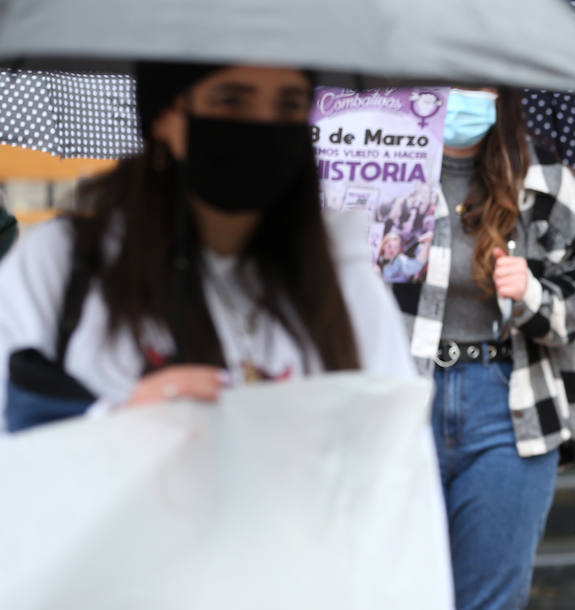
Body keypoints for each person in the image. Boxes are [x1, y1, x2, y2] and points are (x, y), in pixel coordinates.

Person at [0, 63, 416, 431]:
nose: (262, 126)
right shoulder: (64, 264)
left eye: (289, 105)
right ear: (165, 115)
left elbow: (398, 468)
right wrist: (116, 427)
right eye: (231, 101)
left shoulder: (343, 280)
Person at [406, 85, 575, 610]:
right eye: (450, 75)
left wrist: (530, 292)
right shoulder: (385, 171)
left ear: (504, 89)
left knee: (488, 609)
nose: (464, 93)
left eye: (480, 80)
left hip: (509, 405)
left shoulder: (549, 181)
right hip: (401, 403)